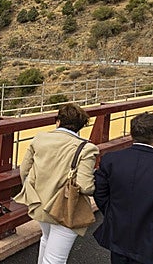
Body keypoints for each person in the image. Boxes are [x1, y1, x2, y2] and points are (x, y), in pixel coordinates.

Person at [13, 103, 99, 264]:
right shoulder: (87, 148)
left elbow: (24, 170)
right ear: (81, 126)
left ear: (58, 121)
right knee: (55, 259)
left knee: (46, 240)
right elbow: (86, 186)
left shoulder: (39, 138)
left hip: (40, 202)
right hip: (66, 207)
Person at [93, 112, 153, 264]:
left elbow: (100, 194)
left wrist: (113, 212)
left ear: (132, 133)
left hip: (118, 233)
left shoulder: (111, 160)